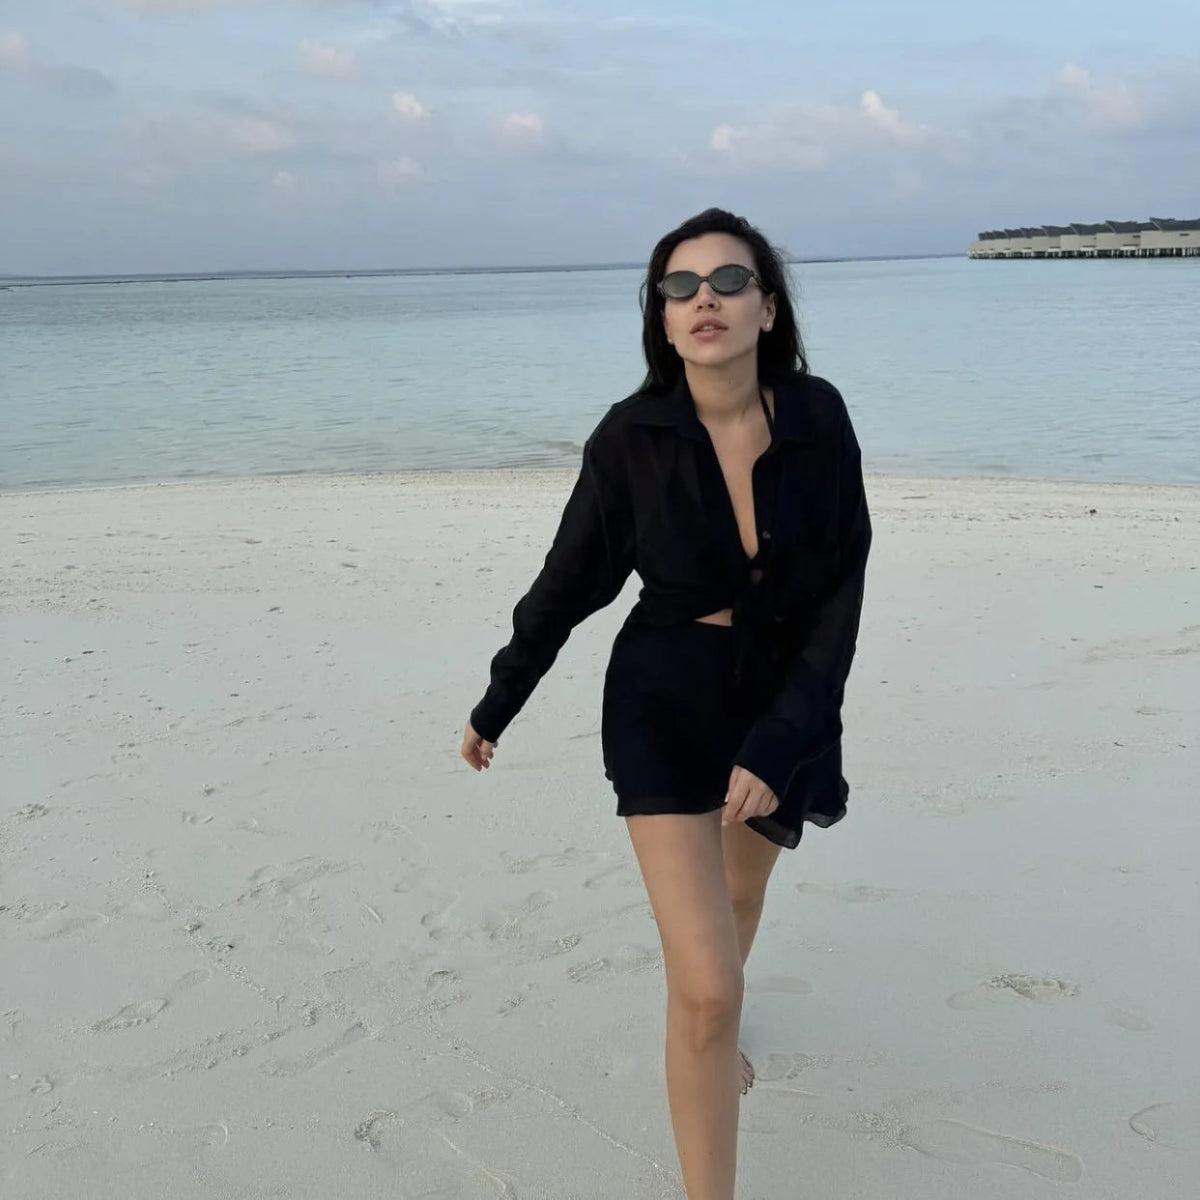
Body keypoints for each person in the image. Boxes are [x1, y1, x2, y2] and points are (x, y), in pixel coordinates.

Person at [460, 206, 871, 1198]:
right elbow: (570, 581)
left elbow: (839, 594)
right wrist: (501, 696)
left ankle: (709, 1030)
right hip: (664, 705)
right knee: (712, 986)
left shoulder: (817, 418)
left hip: (783, 700)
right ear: (661, 315)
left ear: (767, 307)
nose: (704, 301)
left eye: (729, 281)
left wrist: (783, 736)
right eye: (680, 286)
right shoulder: (631, 437)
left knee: (740, 900)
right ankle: (709, 1049)